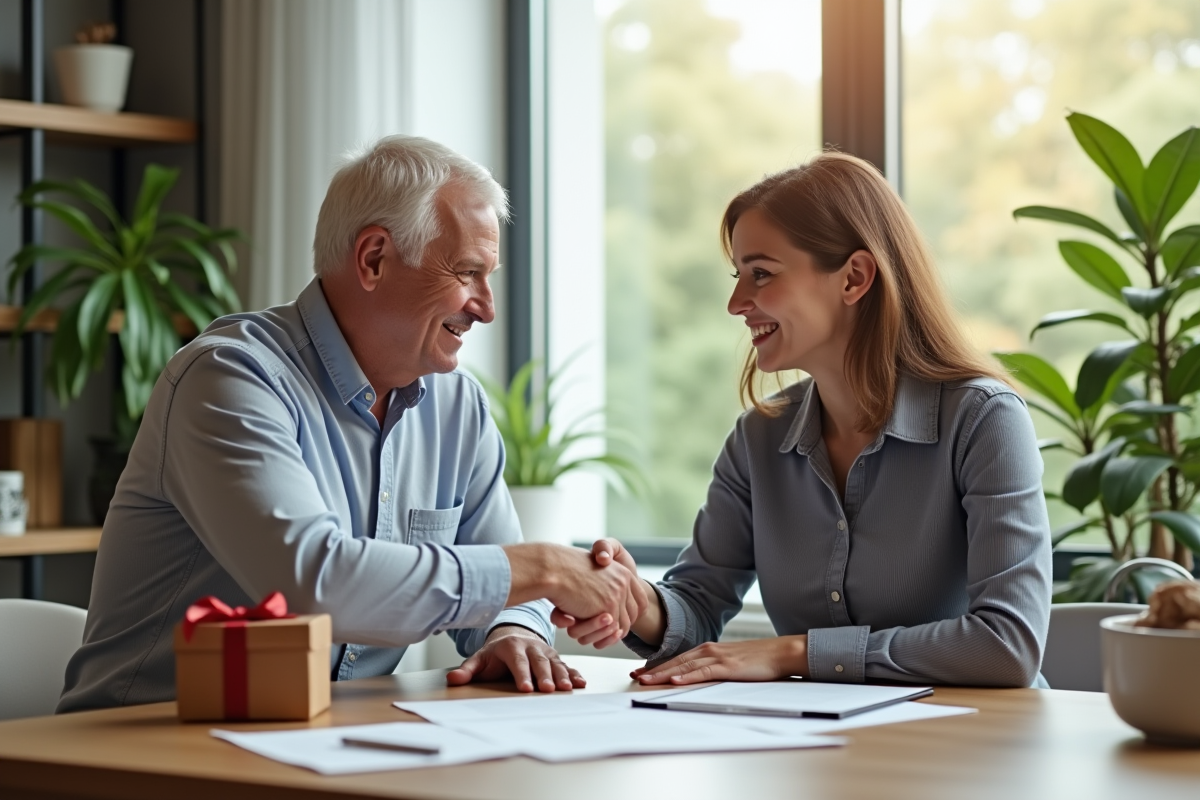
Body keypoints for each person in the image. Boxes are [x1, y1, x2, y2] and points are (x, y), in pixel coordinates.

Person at [58, 135, 643, 713]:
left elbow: (503, 590)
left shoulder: (458, 406)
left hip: (316, 742)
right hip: (140, 748)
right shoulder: (229, 378)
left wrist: (513, 635)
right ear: (374, 259)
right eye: (467, 273)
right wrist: (541, 568)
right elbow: (312, 584)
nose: (486, 306)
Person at [561, 152, 1052, 688]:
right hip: (817, 748)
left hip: (978, 748)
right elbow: (698, 604)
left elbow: (1007, 644)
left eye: (761, 274)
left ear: (854, 278)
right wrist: (636, 599)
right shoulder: (758, 438)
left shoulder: (983, 421)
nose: (735, 303)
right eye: (739, 276)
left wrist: (794, 653)